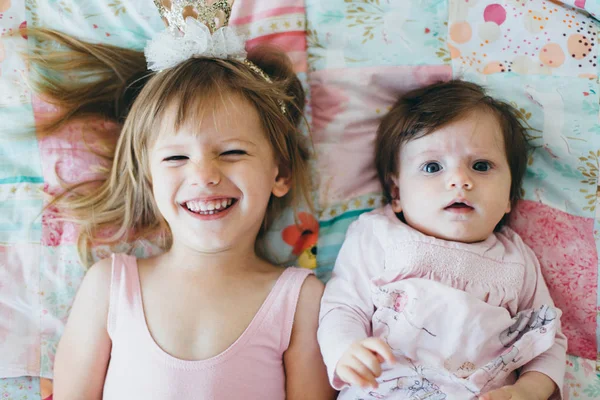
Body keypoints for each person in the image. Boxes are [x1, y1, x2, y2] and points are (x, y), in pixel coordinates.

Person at [29, 1, 335, 399]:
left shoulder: (301, 300)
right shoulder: (110, 287)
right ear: (148, 178)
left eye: (232, 153)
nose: (204, 174)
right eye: (176, 158)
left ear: (279, 173)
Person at [317, 80, 567, 400]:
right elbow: (342, 305)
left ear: (509, 197)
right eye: (432, 167)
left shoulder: (516, 259)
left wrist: (529, 390)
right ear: (396, 193)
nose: (459, 180)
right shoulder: (378, 235)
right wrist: (345, 349)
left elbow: (548, 339)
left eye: (481, 165)